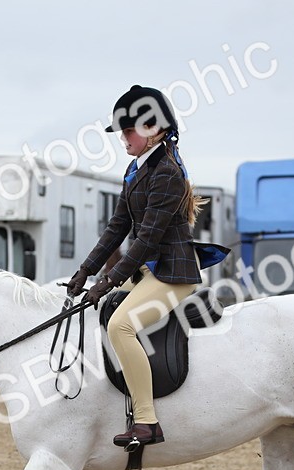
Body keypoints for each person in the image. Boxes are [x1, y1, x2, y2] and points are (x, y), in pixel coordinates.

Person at [68, 85, 203, 449]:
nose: (123, 138)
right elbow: (118, 227)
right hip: (150, 271)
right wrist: (86, 270)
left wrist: (109, 280)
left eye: (129, 131)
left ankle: (147, 421)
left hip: (173, 273)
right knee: (93, 314)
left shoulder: (168, 173)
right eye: (122, 132)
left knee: (121, 325)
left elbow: (146, 240)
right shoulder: (136, 167)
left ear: (154, 129)